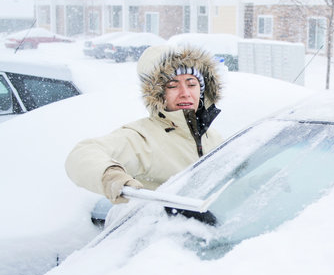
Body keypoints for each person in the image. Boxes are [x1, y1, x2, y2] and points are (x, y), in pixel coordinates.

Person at [65, 45, 223, 205]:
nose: (185, 93)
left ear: (202, 90)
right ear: (158, 93)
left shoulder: (213, 138)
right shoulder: (142, 138)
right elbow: (82, 154)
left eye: (191, 84)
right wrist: (110, 176)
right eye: (173, 86)